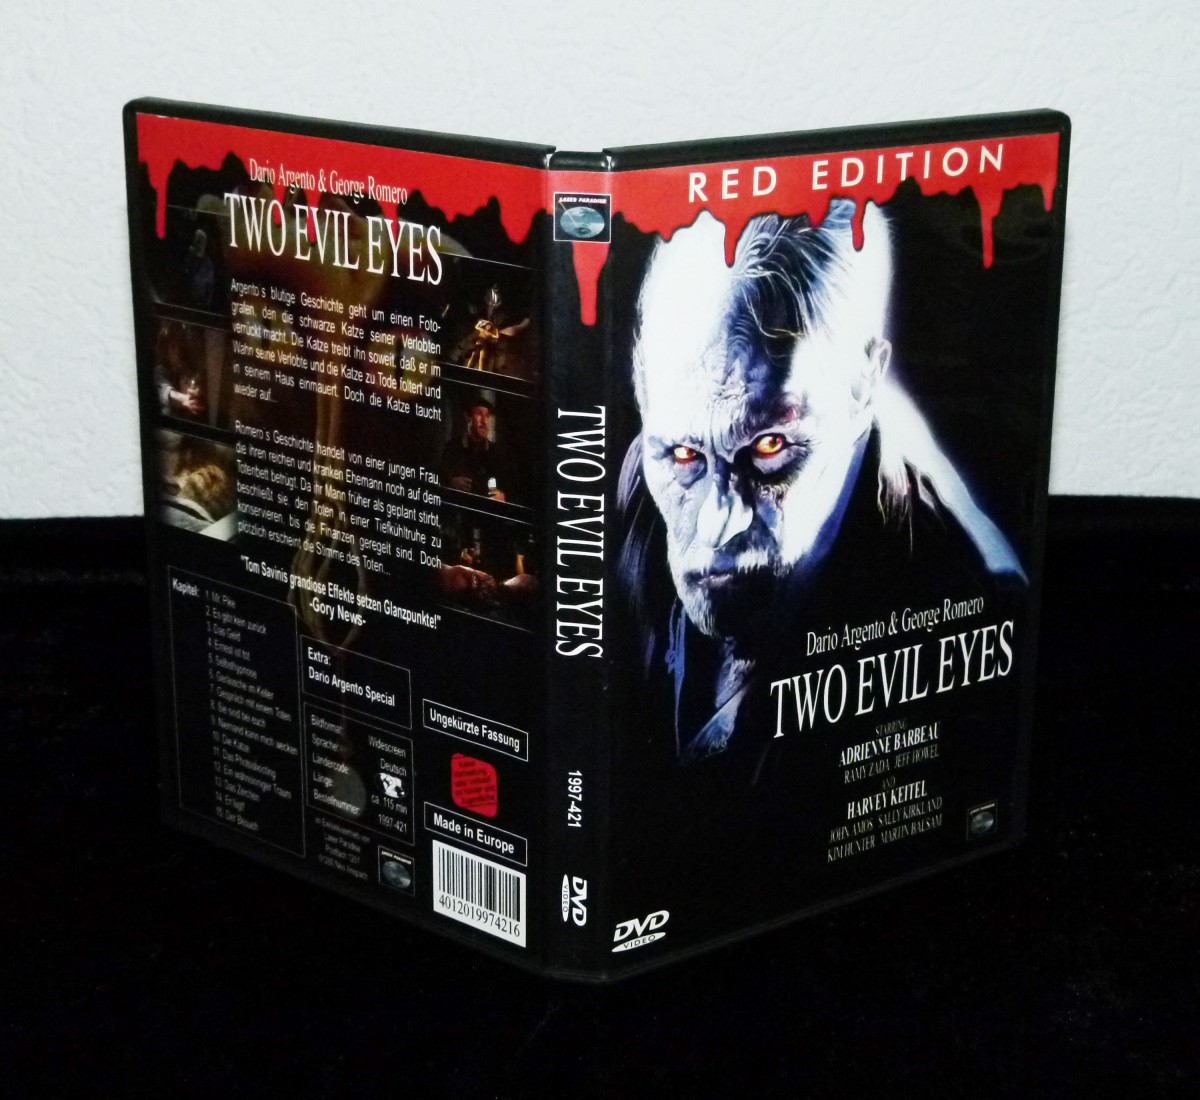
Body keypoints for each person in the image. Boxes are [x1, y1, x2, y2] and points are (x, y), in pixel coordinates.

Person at [618, 202, 1025, 778]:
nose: (716, 523)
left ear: (863, 385)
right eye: (685, 456)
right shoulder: (639, 482)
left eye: (768, 447)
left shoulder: (965, 596)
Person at [441, 396, 511, 501]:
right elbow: (438, 482)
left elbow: (509, 487)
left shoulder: (496, 452)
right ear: (468, 417)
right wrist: (451, 483)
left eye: (487, 416)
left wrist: (502, 495)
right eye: (479, 414)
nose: (484, 421)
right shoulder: (452, 448)